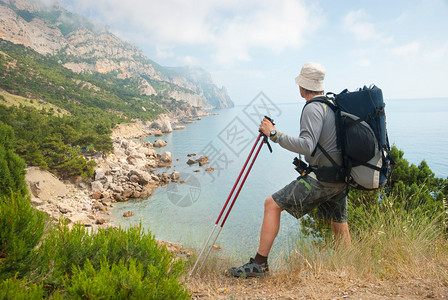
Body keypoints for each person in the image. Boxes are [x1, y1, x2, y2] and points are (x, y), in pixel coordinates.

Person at [228, 62, 351, 278]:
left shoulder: (313, 108)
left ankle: (259, 265)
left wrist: (274, 134)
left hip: (322, 179)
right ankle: (351, 266)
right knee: (338, 220)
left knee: (272, 204)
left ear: (303, 87)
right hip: (340, 178)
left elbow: (307, 145)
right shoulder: (331, 105)